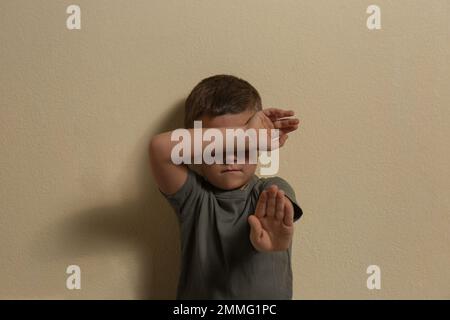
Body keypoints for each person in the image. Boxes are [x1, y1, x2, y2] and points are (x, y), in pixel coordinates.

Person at [148, 74, 303, 299]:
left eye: (243, 145)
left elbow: (280, 207)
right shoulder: (193, 197)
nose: (231, 157)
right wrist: (245, 135)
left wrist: (277, 237)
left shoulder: (270, 188)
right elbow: (159, 148)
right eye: (220, 144)